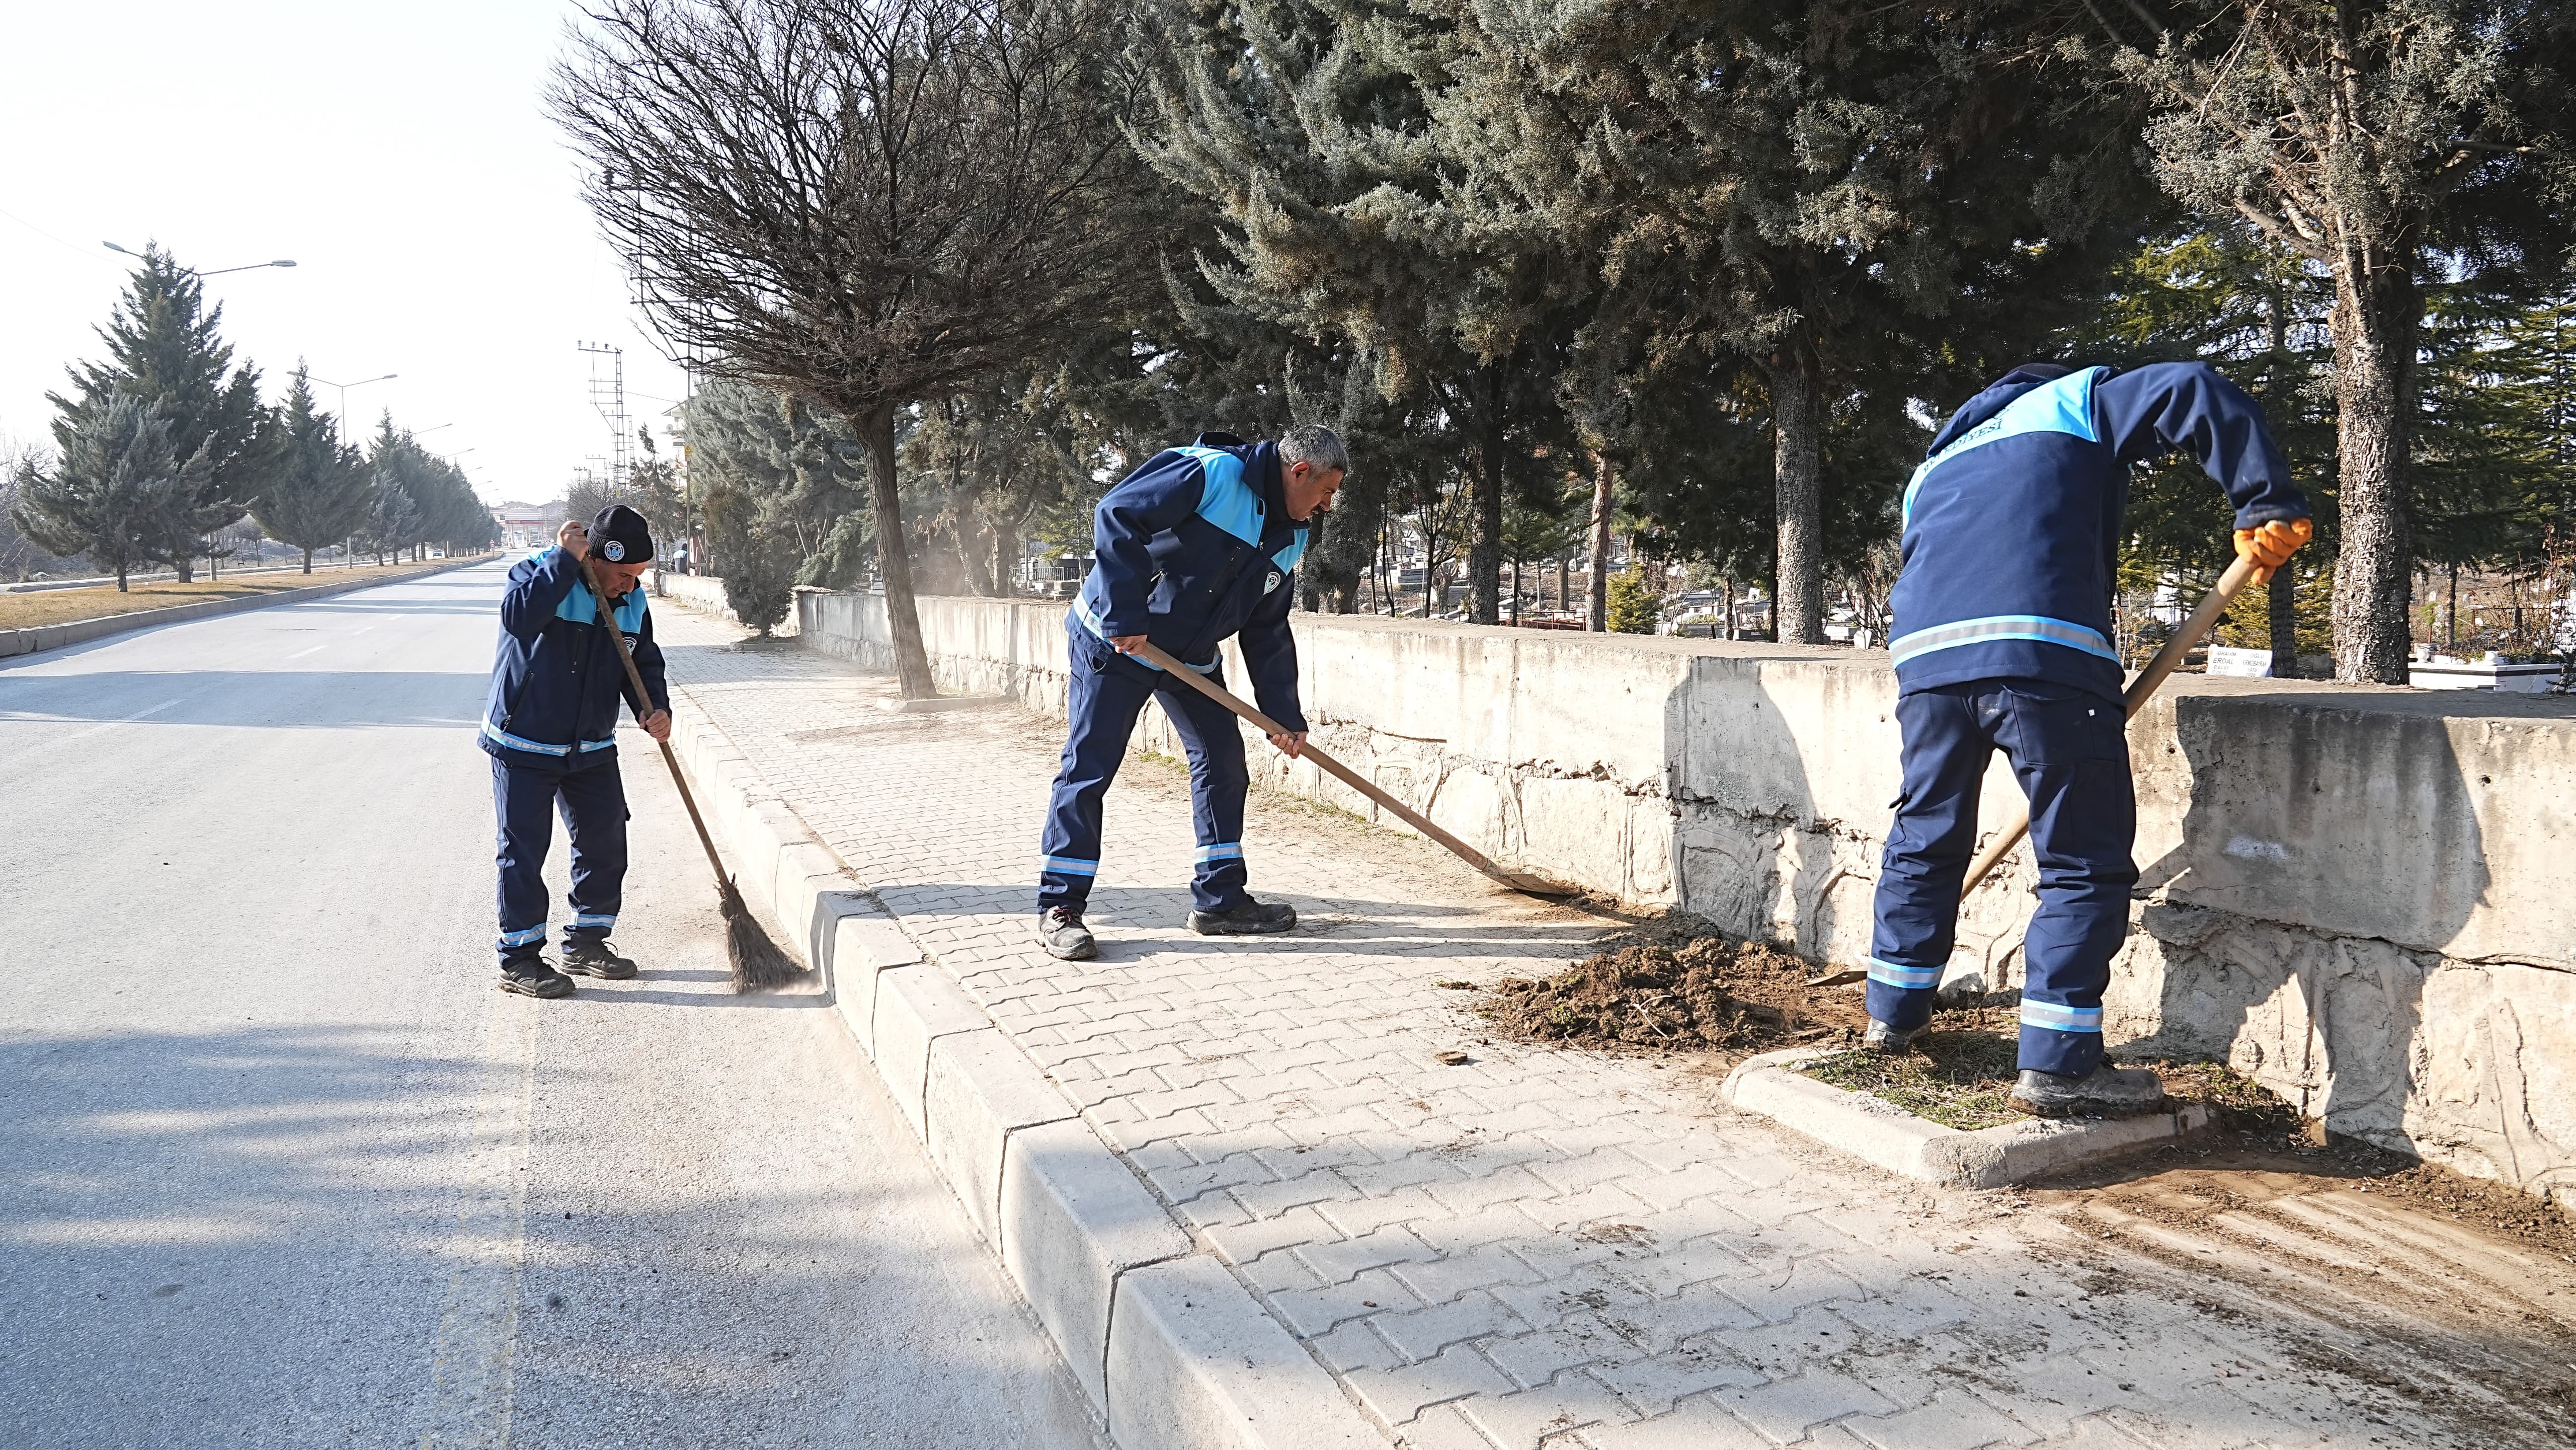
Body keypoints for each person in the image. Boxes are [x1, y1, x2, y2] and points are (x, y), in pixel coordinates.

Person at [1868, 361, 2312, 1116]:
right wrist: (2264, 498)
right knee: (2081, 856)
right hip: (2043, 651)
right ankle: (2060, 1067)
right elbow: (2189, 390)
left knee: (1925, 833)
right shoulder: (2076, 399)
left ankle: (1894, 1014)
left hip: (1926, 660)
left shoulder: (1932, 466)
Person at [1035, 424, 1350, 960]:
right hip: (1117, 644)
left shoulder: (1291, 535)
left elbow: (1266, 628)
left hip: (1190, 659)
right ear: (1299, 472)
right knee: (1090, 766)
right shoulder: (1209, 473)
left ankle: (1220, 901)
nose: (1326, 505)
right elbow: (1117, 513)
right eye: (1325, 491)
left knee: (1223, 763)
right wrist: (1126, 613)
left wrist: (1283, 715)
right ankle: (1060, 906)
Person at [479, 504, 673, 998]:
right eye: (624, 574)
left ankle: (585, 942)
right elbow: (519, 619)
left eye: (638, 576)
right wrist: (563, 562)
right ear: (597, 557)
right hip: (523, 740)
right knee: (522, 850)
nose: (629, 585)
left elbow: (642, 660)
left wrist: (654, 709)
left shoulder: (631, 601)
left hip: (590, 744)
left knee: (605, 840)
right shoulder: (540, 574)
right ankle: (518, 958)